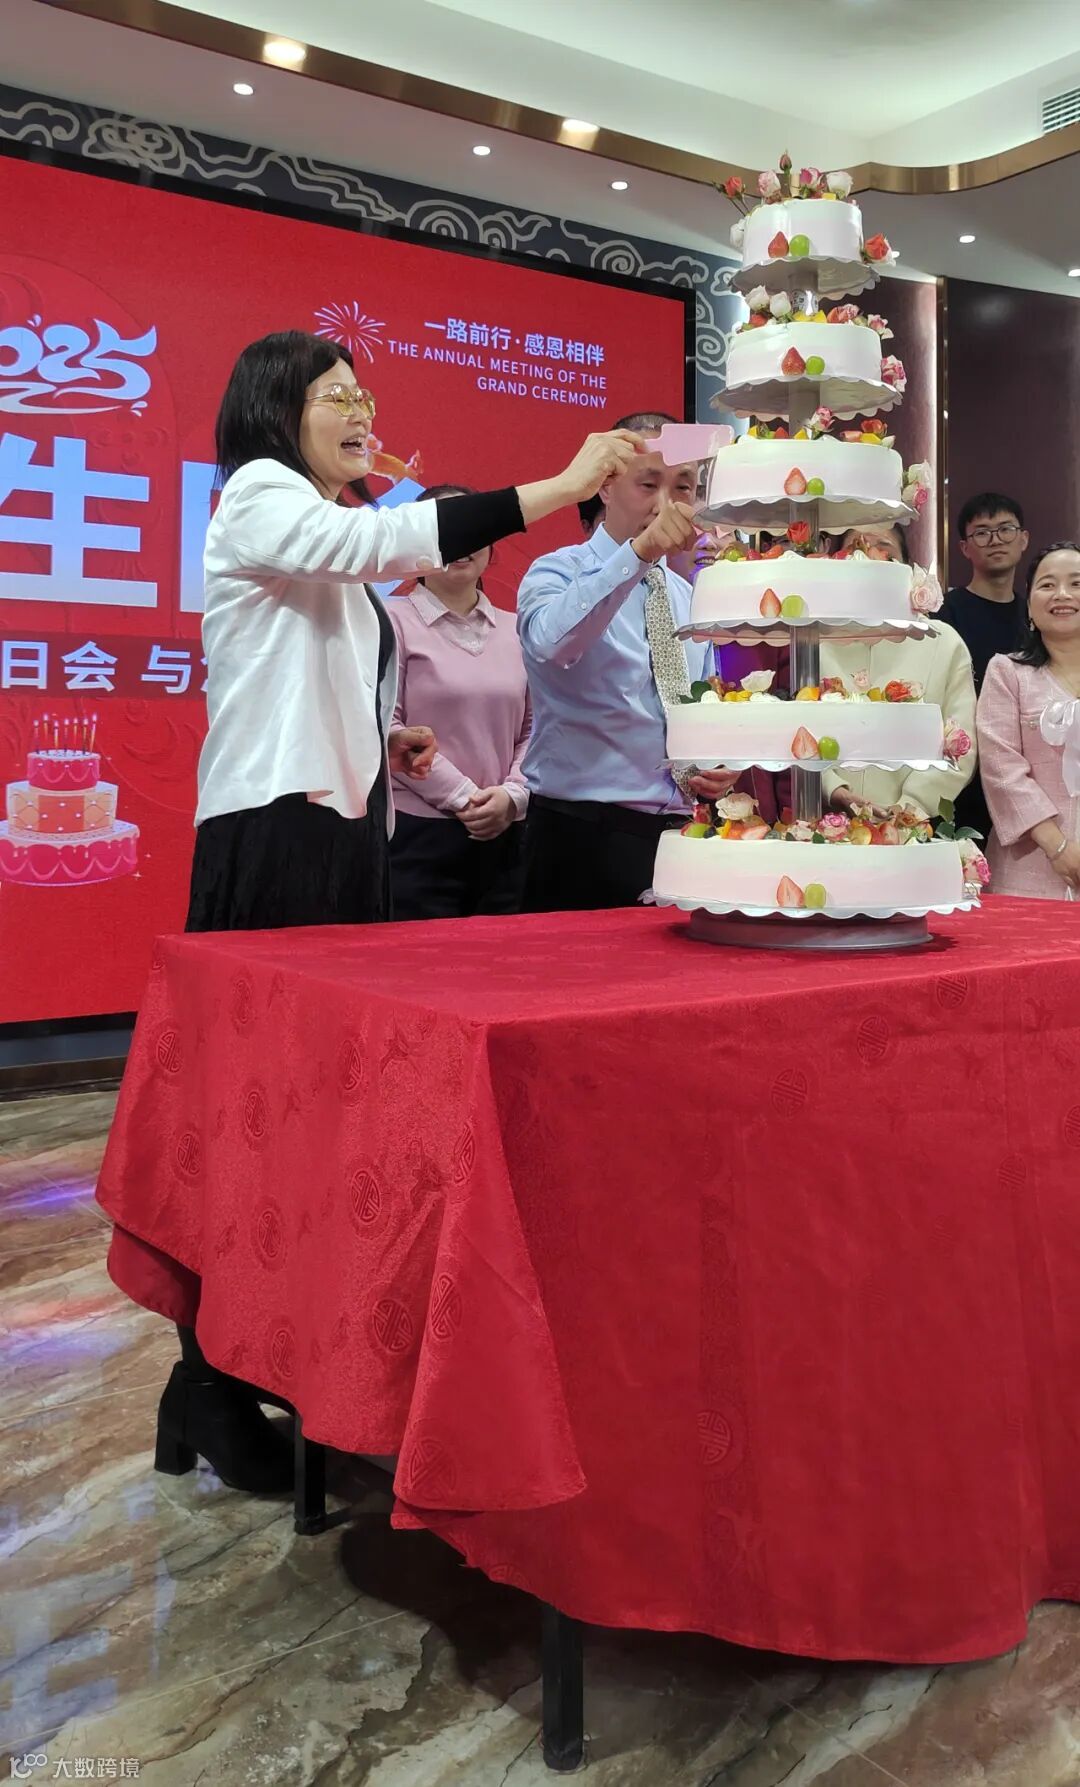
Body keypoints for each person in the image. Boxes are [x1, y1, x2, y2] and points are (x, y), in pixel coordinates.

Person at [156, 330, 646, 1494]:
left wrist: (389, 739)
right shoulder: (259, 494)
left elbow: (310, 657)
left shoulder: (313, 527)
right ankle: (208, 1379)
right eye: (337, 394)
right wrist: (565, 483)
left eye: (364, 391)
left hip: (343, 831)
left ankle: (273, 1360)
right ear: (275, 408)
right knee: (250, 1117)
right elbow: (386, 540)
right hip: (272, 833)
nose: (362, 409)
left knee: (315, 1121)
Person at [517, 410, 740, 911]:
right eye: (648, 484)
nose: (666, 504)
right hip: (578, 836)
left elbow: (702, 703)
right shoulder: (556, 572)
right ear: (605, 486)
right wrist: (637, 554)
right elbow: (553, 645)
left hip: (677, 834)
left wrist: (716, 763)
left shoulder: (687, 595)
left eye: (683, 487)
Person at [387, 483, 530, 919]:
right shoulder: (389, 619)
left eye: (472, 529)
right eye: (443, 530)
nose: (461, 542)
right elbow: (384, 726)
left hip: (507, 834)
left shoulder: (519, 628)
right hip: (417, 837)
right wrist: (464, 798)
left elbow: (538, 728)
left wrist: (513, 796)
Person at [820, 524, 977, 821]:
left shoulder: (942, 641)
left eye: (883, 549)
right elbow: (794, 730)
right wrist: (833, 788)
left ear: (906, 568)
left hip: (911, 829)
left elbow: (961, 742)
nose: (869, 557)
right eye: (855, 548)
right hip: (824, 820)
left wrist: (908, 807)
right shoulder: (814, 638)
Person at [976, 541, 1080, 899]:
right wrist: (1058, 847)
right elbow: (1001, 769)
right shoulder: (1007, 672)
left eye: (1076, 583)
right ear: (1030, 607)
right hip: (1029, 869)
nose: (1062, 594)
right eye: (1048, 584)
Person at [940, 492, 1030, 839]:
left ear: (1023, 539)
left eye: (1005, 529)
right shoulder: (945, 614)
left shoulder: (1036, 616)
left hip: (1023, 771)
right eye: (982, 532)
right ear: (964, 547)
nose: (995, 539)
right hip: (964, 775)